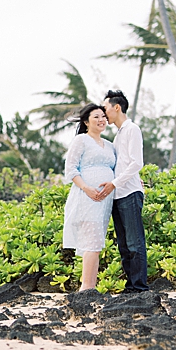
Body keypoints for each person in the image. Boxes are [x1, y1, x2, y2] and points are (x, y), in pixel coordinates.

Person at [98, 89, 150, 292]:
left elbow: (137, 163)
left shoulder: (131, 129)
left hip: (128, 193)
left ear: (116, 107)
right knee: (124, 245)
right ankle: (131, 286)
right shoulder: (118, 135)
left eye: (105, 109)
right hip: (118, 195)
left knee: (135, 243)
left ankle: (139, 287)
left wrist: (114, 183)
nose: (103, 114)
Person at [62, 103, 117, 292]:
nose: (101, 120)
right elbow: (71, 169)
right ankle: (86, 288)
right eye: (96, 117)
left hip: (105, 200)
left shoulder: (110, 145)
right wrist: (87, 188)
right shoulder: (81, 141)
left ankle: (91, 286)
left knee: (97, 240)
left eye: (103, 116)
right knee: (91, 240)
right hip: (87, 197)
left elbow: (119, 169)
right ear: (86, 122)